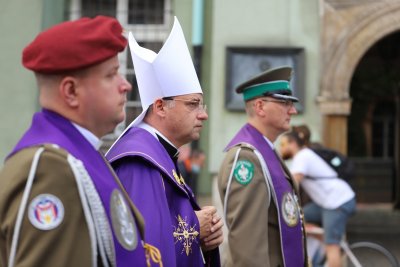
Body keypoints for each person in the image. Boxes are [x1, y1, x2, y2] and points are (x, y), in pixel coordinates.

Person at [0, 16, 161, 267]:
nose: (126, 85)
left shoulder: (82, 154)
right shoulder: (49, 168)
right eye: (111, 75)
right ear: (71, 92)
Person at [106, 17, 222, 266]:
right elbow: (139, 248)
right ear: (160, 106)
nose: (203, 114)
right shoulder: (139, 160)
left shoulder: (157, 153)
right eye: (193, 104)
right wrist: (195, 227)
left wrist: (204, 236)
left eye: (202, 105)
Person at [218, 66, 308, 267]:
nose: (292, 110)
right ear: (260, 107)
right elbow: (247, 248)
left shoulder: (266, 152)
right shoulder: (246, 159)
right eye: (284, 103)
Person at [279, 127, 356, 267]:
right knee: (298, 217)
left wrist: (278, 199)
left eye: (283, 144)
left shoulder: (303, 156)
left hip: (337, 203)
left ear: (292, 144)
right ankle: (323, 240)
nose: (280, 149)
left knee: (332, 246)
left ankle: (330, 244)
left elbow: (291, 185)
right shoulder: (302, 157)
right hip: (327, 204)